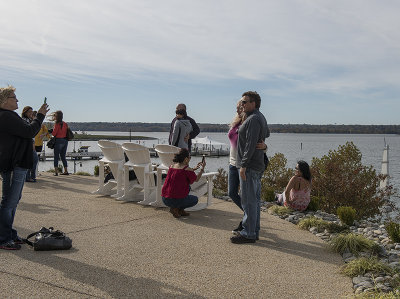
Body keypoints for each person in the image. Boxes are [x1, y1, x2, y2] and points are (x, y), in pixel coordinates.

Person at [0, 85, 49, 250]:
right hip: (15, 164)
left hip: (14, 164)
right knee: (9, 202)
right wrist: (40, 115)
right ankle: (3, 238)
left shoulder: (8, 116)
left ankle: (10, 234)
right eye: (14, 97)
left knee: (12, 201)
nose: (17, 100)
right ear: (4, 100)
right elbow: (29, 132)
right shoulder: (6, 116)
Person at [231, 91, 270, 244]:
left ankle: (248, 233)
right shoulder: (259, 117)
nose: (243, 104)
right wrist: (263, 142)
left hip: (250, 166)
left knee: (249, 201)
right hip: (256, 165)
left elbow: (250, 145)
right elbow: (266, 132)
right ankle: (254, 231)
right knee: (253, 200)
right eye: (242, 102)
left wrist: (243, 166)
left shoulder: (253, 119)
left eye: (245, 102)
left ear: (254, 103)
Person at [161, 148, 206, 218]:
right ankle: (176, 208)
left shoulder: (172, 166)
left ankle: (179, 210)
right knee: (195, 199)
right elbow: (196, 179)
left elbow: (180, 172)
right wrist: (202, 169)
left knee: (188, 187)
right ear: (185, 159)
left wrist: (193, 169)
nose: (190, 159)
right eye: (189, 157)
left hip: (165, 199)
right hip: (175, 200)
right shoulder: (187, 169)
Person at [21, 106, 39, 182]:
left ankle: (30, 176)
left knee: (33, 160)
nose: (31, 113)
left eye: (31, 112)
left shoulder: (29, 120)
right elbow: (29, 133)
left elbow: (33, 133)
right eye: (29, 112)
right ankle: (29, 177)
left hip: (31, 143)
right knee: (33, 159)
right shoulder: (23, 121)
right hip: (27, 143)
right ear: (25, 112)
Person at [49, 110, 69, 176]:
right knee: (63, 156)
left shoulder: (57, 124)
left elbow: (54, 133)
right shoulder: (65, 124)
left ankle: (56, 172)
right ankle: (66, 170)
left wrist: (51, 132)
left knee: (56, 157)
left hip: (58, 140)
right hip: (65, 141)